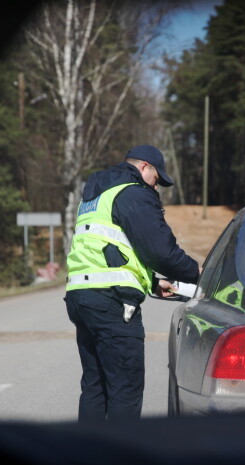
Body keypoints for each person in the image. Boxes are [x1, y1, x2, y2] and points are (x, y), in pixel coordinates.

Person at [64, 145, 200, 422]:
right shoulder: (132, 193)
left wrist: (151, 281)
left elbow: (111, 250)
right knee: (125, 389)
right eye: (156, 179)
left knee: (95, 387)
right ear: (144, 167)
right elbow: (160, 250)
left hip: (81, 298)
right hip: (111, 303)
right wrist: (198, 273)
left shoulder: (95, 196)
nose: (156, 186)